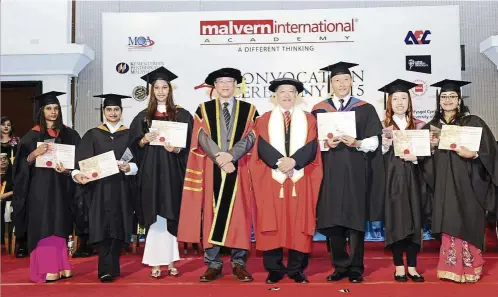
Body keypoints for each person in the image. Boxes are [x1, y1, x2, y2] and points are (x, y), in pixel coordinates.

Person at [178, 67, 258, 283]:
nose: (225, 85)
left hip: (238, 168)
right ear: (214, 86)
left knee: (239, 215)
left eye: (229, 82)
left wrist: (231, 156)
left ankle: (239, 262)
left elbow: (252, 137)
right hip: (213, 169)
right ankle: (213, 263)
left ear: (236, 85)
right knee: (211, 215)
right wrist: (220, 159)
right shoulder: (203, 109)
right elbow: (201, 136)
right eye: (221, 82)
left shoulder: (249, 110)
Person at [311, 62, 384, 283]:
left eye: (345, 79)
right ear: (330, 83)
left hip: (355, 171)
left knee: (354, 219)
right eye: (337, 80)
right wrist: (325, 143)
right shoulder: (319, 109)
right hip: (329, 171)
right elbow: (310, 141)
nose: (341, 84)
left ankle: (355, 267)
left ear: (352, 81)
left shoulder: (365, 108)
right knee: (333, 220)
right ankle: (339, 266)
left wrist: (357, 141)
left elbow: (375, 140)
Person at [420, 79, 498, 283]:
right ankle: (451, 267)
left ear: (460, 99)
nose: (448, 100)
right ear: (439, 101)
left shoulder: (473, 122)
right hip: (445, 186)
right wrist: (430, 147)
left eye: (452, 96)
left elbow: (490, 151)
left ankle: (471, 268)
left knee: (469, 220)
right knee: (450, 221)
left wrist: (473, 154)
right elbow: (424, 162)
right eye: (444, 97)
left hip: (470, 184)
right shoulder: (432, 127)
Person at [249, 78, 322, 284]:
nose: (287, 95)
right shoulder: (263, 119)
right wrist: (281, 164)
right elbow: (262, 146)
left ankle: (296, 269)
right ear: (275, 96)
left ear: (297, 96)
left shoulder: (309, 119)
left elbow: (311, 145)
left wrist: (295, 162)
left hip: (300, 177)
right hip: (273, 178)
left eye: (291, 91)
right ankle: (274, 269)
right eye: (282, 92)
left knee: (299, 222)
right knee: (271, 222)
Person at [129, 67, 193, 278]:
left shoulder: (182, 115)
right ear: (151, 90)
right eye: (156, 87)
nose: (161, 91)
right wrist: (143, 140)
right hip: (150, 174)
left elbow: (190, 145)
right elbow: (133, 146)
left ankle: (172, 261)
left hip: (173, 172)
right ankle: (156, 263)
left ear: (170, 89)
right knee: (154, 216)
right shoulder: (142, 117)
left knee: (171, 214)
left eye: (164, 87)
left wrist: (176, 149)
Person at [12, 91, 81, 283]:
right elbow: (19, 167)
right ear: (42, 111)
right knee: (44, 224)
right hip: (39, 190)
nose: (53, 112)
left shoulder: (69, 134)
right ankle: (49, 267)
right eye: (49, 108)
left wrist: (68, 169)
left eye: (56, 108)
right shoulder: (30, 137)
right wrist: (34, 154)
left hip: (61, 187)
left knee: (60, 223)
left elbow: (78, 161)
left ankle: (63, 265)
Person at [72, 94, 137, 282]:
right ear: (103, 112)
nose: (113, 113)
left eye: (116, 109)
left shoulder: (129, 134)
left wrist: (129, 167)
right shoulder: (93, 134)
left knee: (118, 226)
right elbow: (81, 162)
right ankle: (105, 269)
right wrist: (80, 175)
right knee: (102, 227)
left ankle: (113, 267)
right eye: (109, 109)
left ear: (121, 112)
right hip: (99, 189)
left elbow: (137, 161)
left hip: (122, 188)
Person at [378, 79, 430, 282]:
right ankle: (399, 266)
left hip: (415, 180)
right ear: (389, 102)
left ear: (409, 102)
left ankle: (413, 266)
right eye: (395, 99)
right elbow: (375, 157)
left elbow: (427, 156)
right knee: (397, 222)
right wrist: (384, 144)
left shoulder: (419, 125)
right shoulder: (382, 127)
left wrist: (416, 158)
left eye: (404, 98)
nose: (400, 102)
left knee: (414, 221)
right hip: (392, 181)